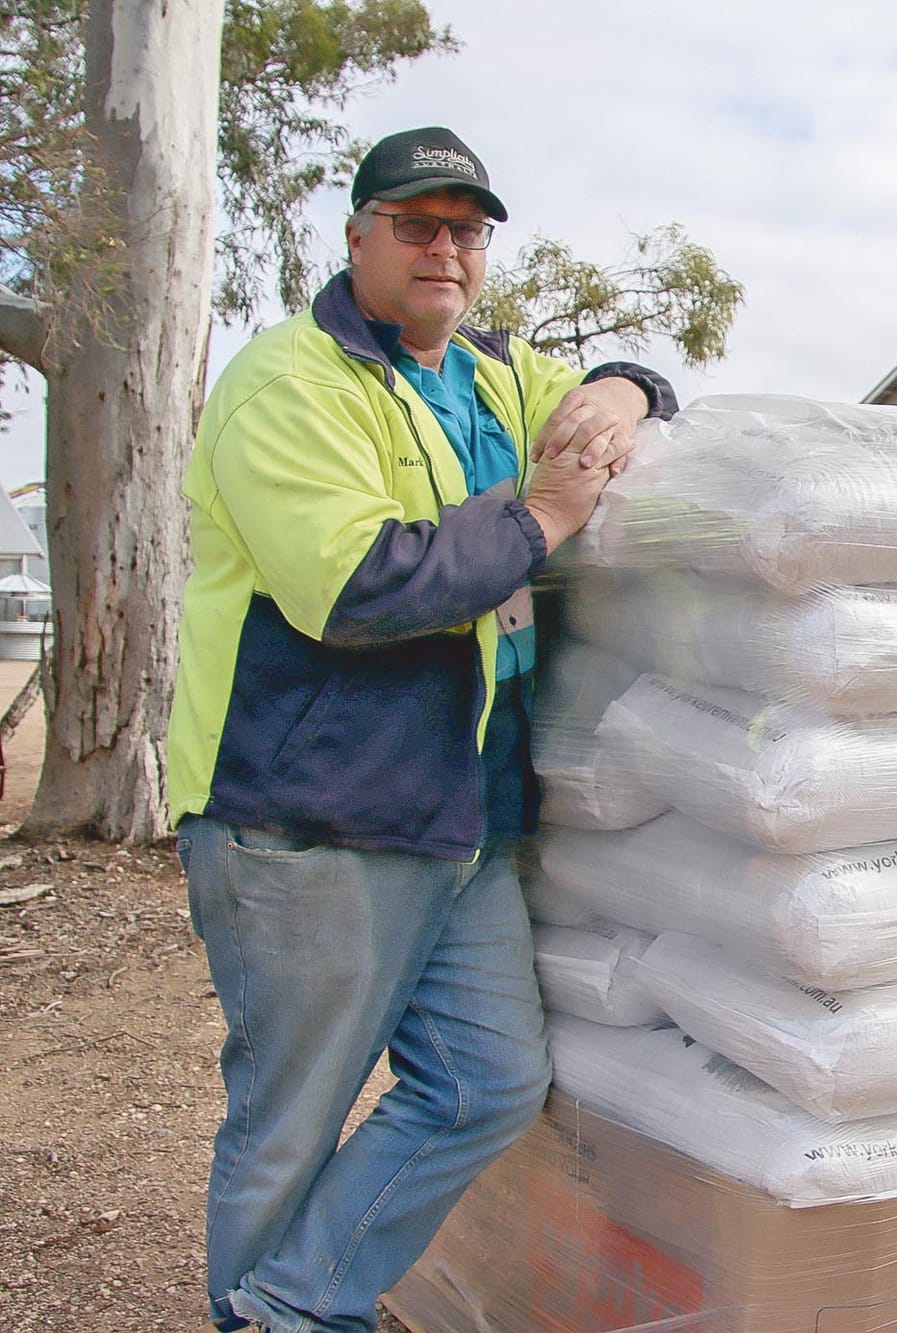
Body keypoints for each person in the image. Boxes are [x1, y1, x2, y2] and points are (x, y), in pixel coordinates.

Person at [167, 126, 676, 1332]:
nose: (443, 247)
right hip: (307, 813)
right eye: (415, 224)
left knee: (486, 1082)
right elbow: (354, 587)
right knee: (287, 1121)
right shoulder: (288, 381)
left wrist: (623, 387)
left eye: (465, 228)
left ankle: (293, 1302)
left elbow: (626, 401)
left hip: (461, 809)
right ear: (358, 239)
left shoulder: (497, 375)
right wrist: (545, 514)